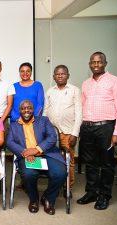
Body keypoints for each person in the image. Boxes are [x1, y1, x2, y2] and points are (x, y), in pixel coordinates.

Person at [77, 52, 117, 210]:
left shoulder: (116, 82)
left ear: (105, 63)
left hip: (106, 127)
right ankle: (91, 192)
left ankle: (104, 195)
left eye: (99, 62)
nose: (96, 64)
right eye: (93, 62)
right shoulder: (85, 83)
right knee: (90, 163)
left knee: (106, 164)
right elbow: (82, 107)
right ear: (89, 64)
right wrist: (79, 130)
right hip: (87, 127)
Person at [7, 100, 67, 215]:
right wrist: (25, 152)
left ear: (33, 110)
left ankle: (48, 198)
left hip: (47, 154)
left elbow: (52, 137)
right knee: (29, 174)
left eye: (29, 108)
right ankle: (34, 199)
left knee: (60, 173)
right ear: (19, 111)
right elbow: (9, 142)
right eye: (23, 108)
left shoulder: (43, 120)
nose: (26, 110)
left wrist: (36, 149)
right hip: (26, 157)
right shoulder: (14, 125)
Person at [43, 65, 82, 196]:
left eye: (62, 74)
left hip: (68, 132)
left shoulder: (75, 90)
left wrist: (75, 133)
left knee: (68, 160)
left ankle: (67, 187)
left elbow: (79, 113)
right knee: (53, 159)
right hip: (52, 132)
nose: (60, 76)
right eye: (57, 74)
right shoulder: (49, 91)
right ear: (54, 76)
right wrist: (43, 128)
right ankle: (56, 183)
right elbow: (46, 110)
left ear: (68, 75)